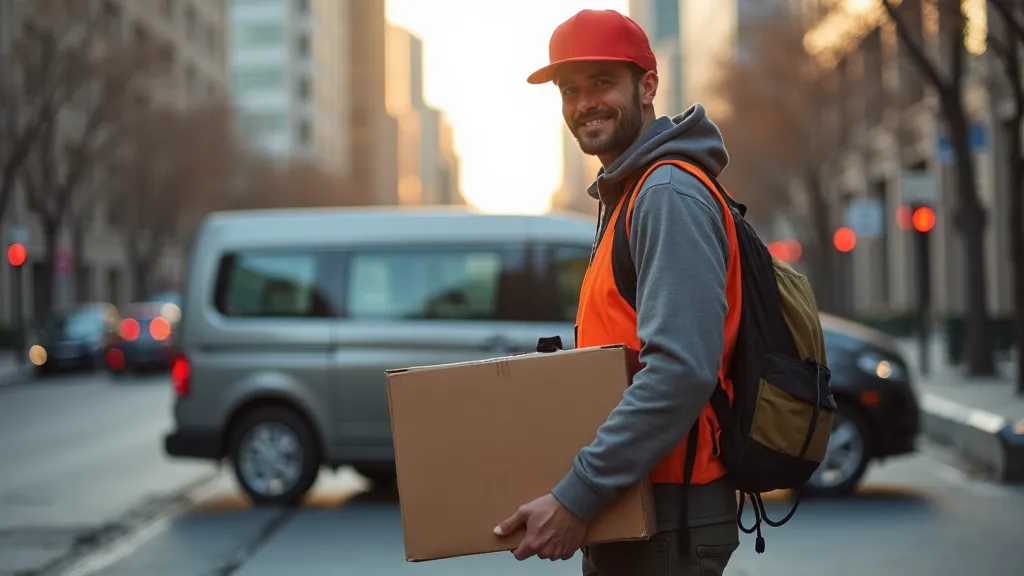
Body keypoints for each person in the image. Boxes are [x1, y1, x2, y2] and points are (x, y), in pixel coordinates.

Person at [493, 9, 741, 576]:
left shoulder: (666, 194)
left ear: (648, 84)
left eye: (602, 82)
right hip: (637, 507)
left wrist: (577, 494)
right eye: (569, 90)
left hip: (667, 520)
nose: (584, 104)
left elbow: (679, 370)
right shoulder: (628, 194)